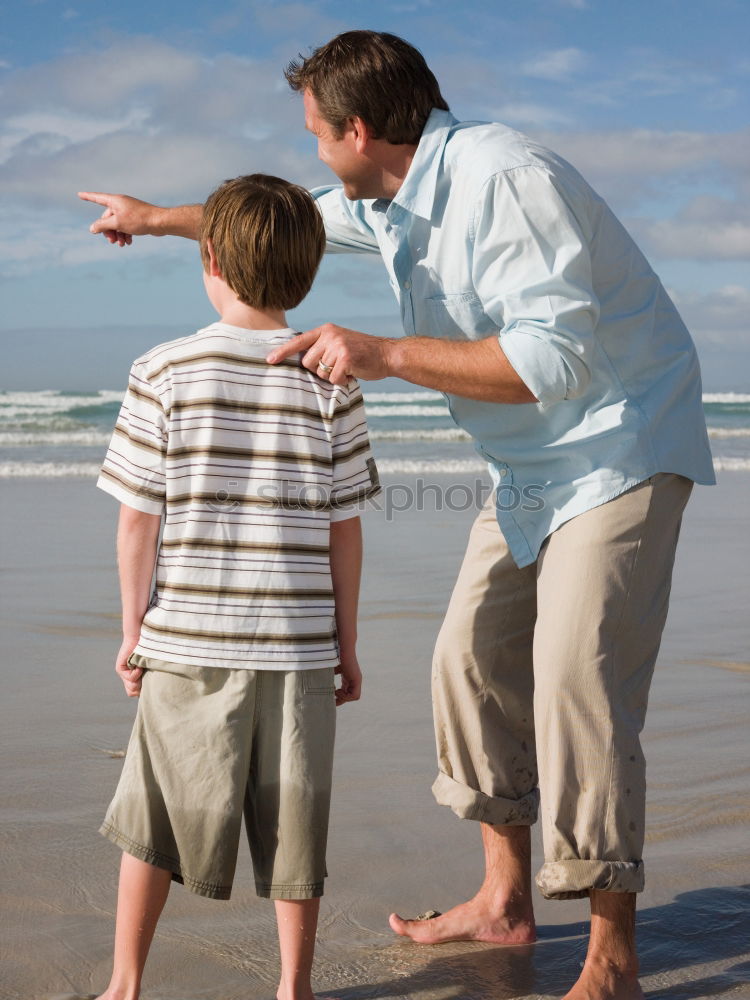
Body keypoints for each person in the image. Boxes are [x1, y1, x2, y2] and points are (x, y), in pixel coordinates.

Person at [79, 29, 715, 1000]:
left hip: (617, 449)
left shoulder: (507, 183)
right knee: (469, 665)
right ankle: (505, 899)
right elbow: (282, 219)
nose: (312, 152)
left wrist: (382, 354)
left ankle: (611, 956)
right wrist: (155, 216)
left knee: (576, 682)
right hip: (531, 465)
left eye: (315, 135)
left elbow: (558, 362)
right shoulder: (394, 196)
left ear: (360, 129)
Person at [92, 172, 381, 1000]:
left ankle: (125, 984)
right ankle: (294, 987)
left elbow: (138, 520)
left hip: (187, 637)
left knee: (151, 816)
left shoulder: (165, 369)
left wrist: (131, 628)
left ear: (209, 256)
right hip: (296, 648)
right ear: (308, 271)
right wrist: (347, 643)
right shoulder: (332, 381)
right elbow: (343, 527)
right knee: (296, 822)